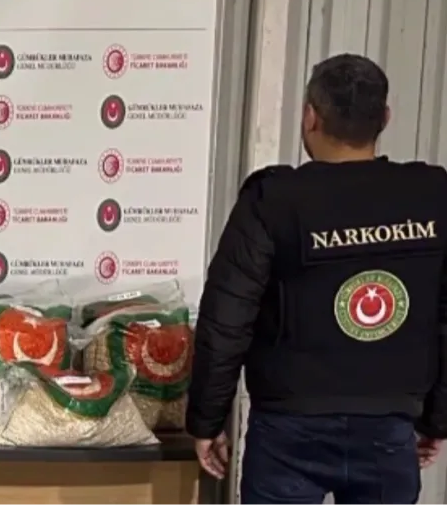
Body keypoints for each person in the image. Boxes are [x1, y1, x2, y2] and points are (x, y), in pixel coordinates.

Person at [186, 53, 447, 505]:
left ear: (310, 116)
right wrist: (438, 418)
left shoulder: (272, 199)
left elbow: (226, 320)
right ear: (384, 118)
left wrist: (207, 421)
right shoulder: (434, 195)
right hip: (388, 427)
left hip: (287, 431)